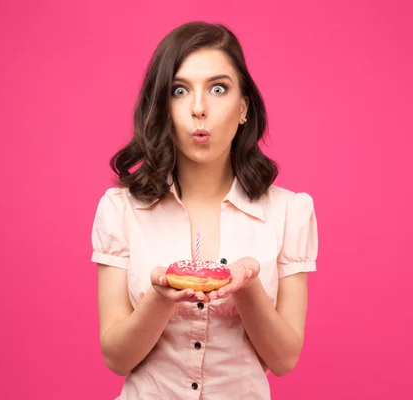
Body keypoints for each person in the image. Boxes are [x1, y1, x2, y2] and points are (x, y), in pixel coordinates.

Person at [90, 21, 318, 399]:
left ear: (243, 107)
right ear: (163, 107)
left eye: (218, 89)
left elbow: (283, 359)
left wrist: (247, 288)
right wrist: (161, 298)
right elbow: (116, 357)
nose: (199, 108)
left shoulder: (288, 211)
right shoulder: (121, 210)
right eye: (180, 91)